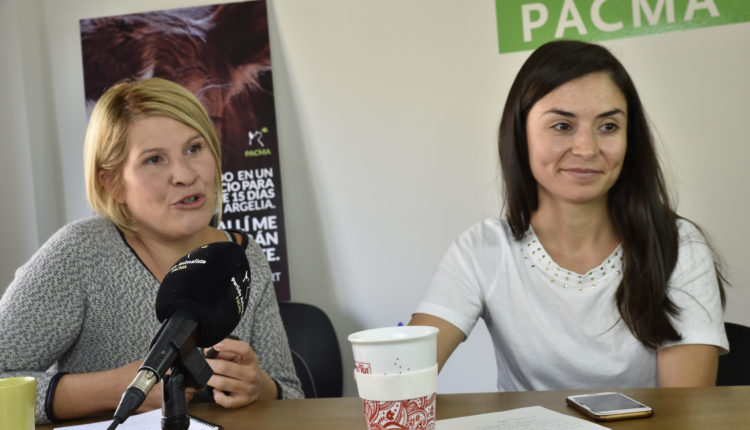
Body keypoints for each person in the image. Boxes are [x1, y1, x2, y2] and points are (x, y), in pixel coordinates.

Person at [410, 40, 728, 391]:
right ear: (521, 134)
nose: (587, 149)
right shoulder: (483, 248)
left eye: (608, 126)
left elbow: (685, 415)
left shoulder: (678, 245)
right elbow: (399, 374)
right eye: (562, 126)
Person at [0, 77, 303, 424]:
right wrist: (112, 389)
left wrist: (259, 387)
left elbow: (293, 396)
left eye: (194, 148)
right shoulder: (78, 254)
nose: (185, 175)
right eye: (155, 159)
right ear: (112, 182)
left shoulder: (244, 257)